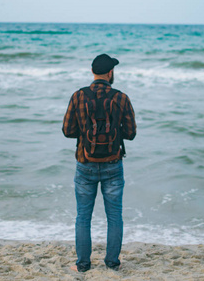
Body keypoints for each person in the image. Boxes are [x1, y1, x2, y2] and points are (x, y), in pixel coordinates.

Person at [62, 54, 136, 272]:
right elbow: (131, 133)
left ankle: (83, 265)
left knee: (83, 217)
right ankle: (112, 263)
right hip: (113, 164)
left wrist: (85, 134)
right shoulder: (121, 97)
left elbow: (67, 131)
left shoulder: (78, 96)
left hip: (85, 163)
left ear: (92, 72)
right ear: (110, 73)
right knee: (114, 216)